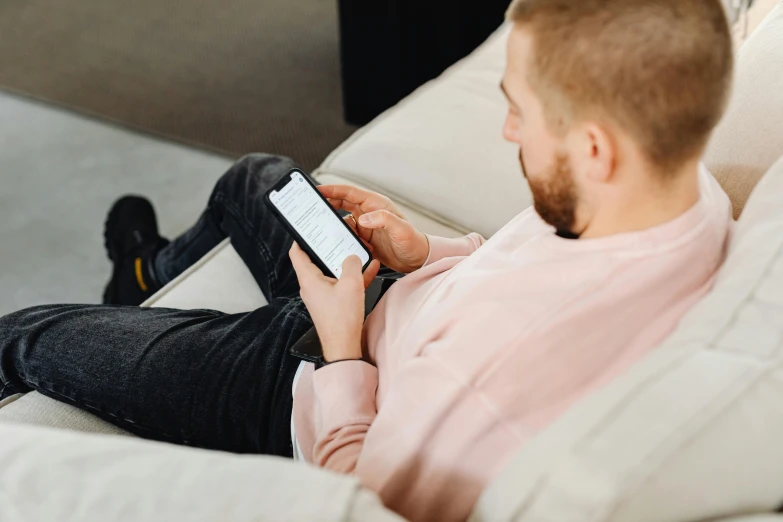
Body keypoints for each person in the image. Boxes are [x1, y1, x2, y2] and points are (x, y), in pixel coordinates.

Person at [0, 0, 735, 520]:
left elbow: (354, 493)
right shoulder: (680, 192)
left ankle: (134, 293)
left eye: (521, 109)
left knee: (22, 333)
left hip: (305, 382)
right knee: (259, 177)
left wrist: (340, 343)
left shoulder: (483, 384)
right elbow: (515, 268)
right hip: (383, 302)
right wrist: (422, 256)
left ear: (594, 148)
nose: (507, 128)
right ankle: (143, 280)